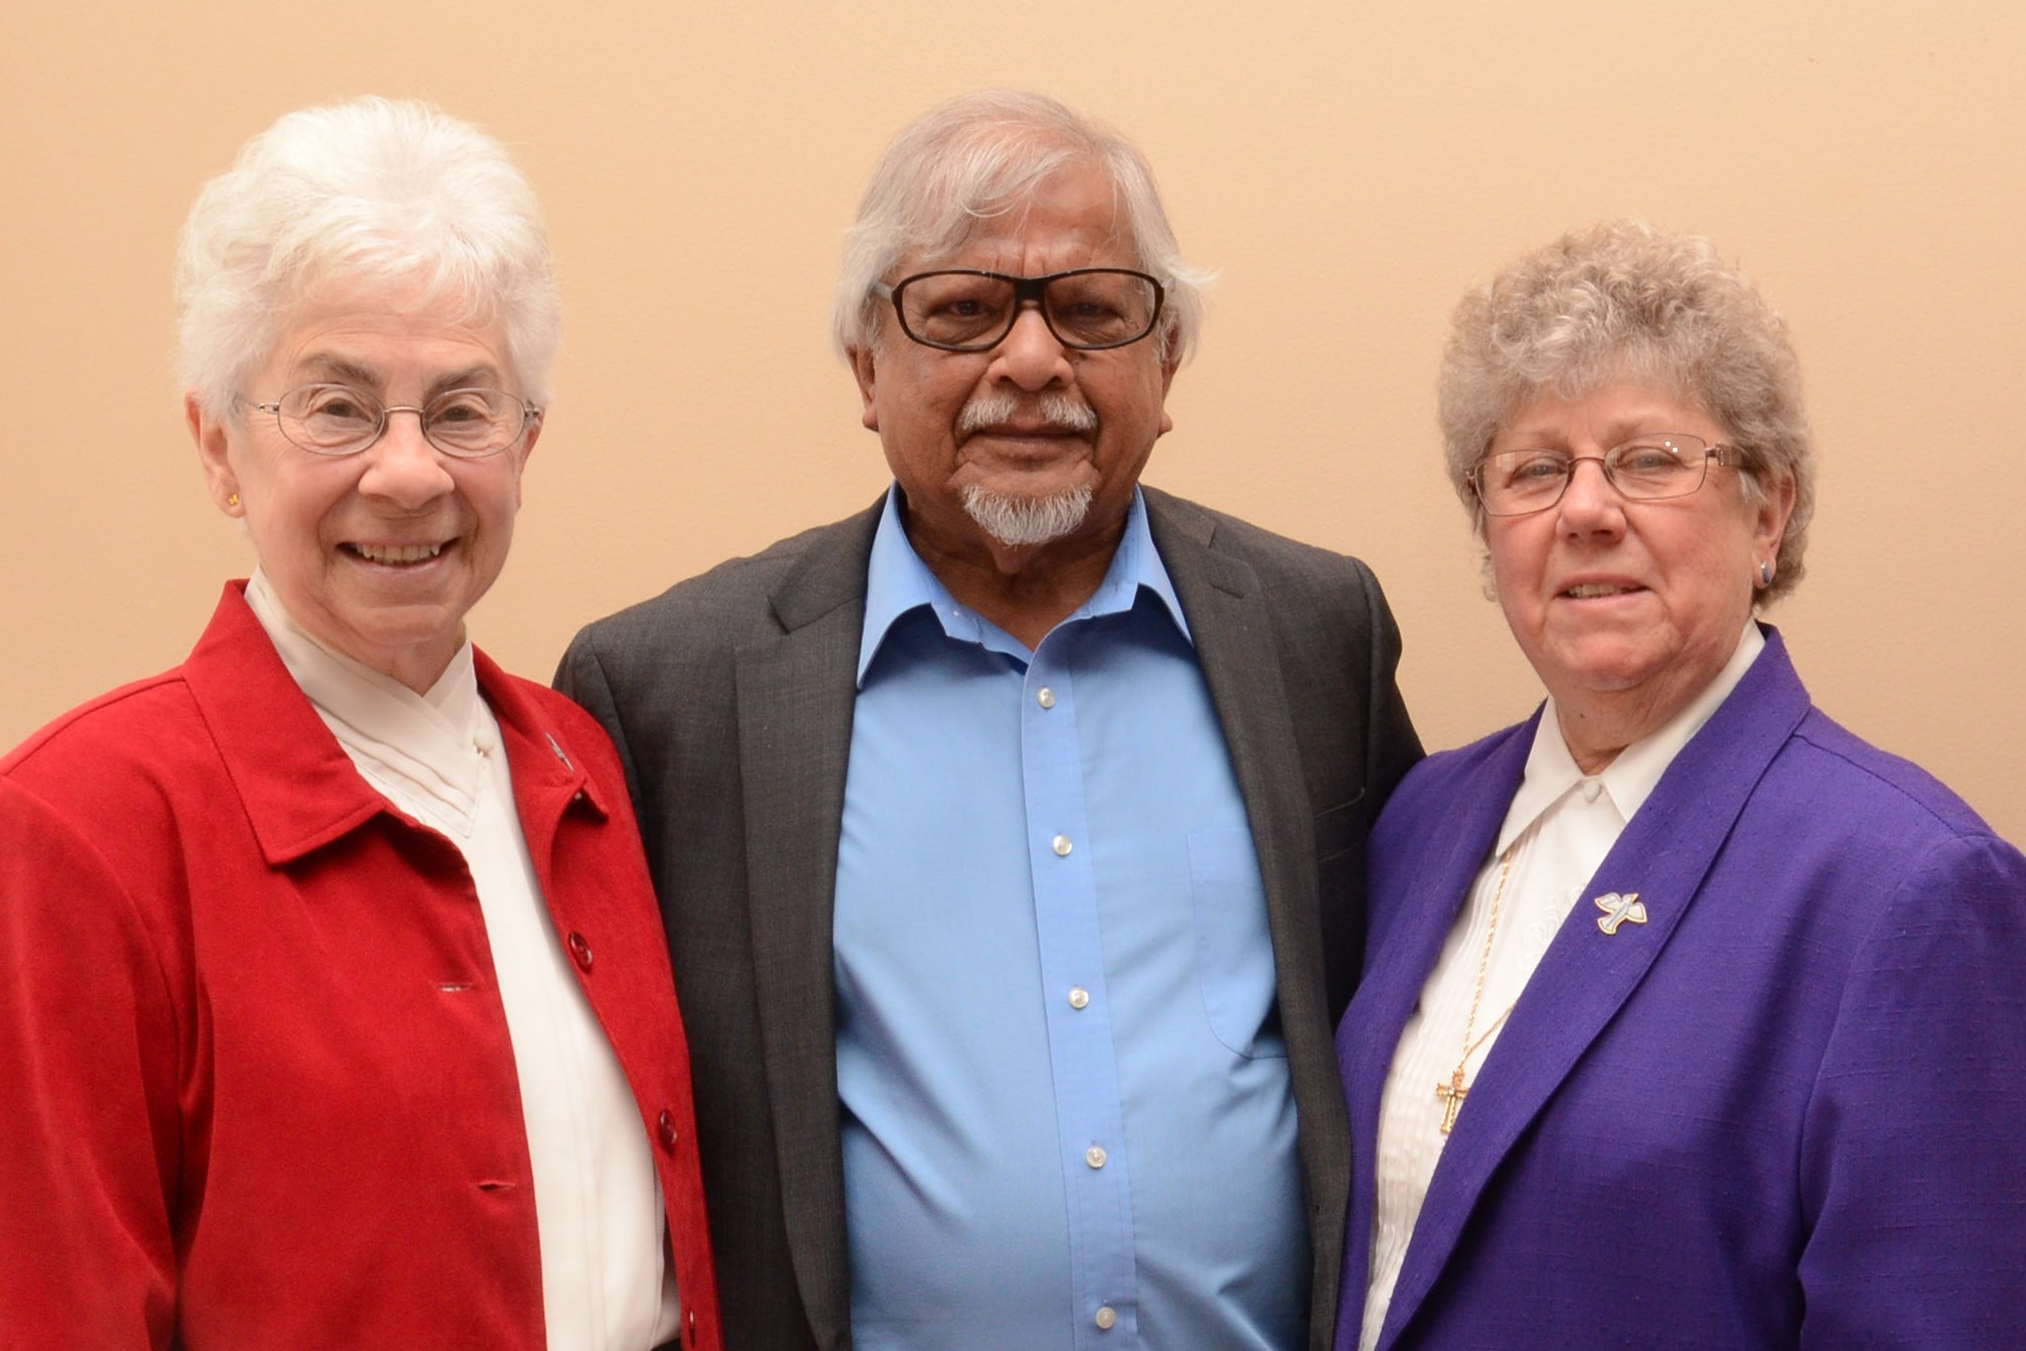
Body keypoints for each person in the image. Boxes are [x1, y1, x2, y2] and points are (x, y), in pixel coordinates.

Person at [557, 89, 1422, 1351]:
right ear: (866, 363)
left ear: (1166, 360)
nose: (1031, 363)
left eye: (1092, 310)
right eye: (961, 310)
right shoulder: (672, 690)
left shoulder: (1314, 633)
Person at [0, 97, 722, 1350]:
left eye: (462, 408)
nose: (408, 472)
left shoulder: (581, 762)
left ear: (527, 440)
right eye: (335, 408)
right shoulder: (83, 824)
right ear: (219, 445)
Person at [1335, 219, 2026, 1350]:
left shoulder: (1911, 888)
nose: (1586, 510)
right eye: (1535, 469)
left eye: (1650, 460)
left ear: (1767, 509)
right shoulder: (1419, 818)